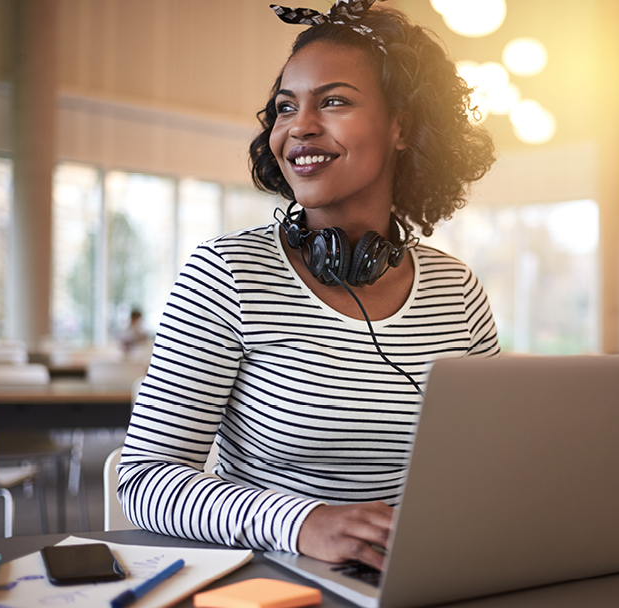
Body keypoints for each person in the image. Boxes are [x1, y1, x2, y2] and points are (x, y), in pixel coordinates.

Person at [117, 0, 499, 571]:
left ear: (402, 126)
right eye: (285, 107)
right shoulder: (228, 271)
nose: (299, 127)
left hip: (424, 572)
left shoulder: (457, 288)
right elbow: (145, 480)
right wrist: (304, 522)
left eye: (335, 101)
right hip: (276, 573)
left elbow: (488, 464)